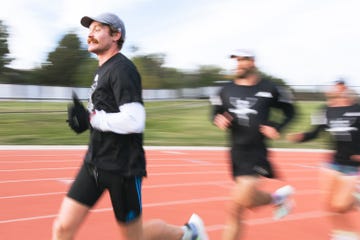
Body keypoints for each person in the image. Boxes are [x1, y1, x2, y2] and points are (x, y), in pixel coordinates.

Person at [52, 12, 208, 240]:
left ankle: (189, 233)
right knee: (62, 228)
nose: (90, 35)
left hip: (122, 168)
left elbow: (134, 120)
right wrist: (87, 118)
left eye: (97, 29)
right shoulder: (102, 70)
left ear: (116, 35)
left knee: (134, 237)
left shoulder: (122, 69)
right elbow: (105, 111)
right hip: (94, 163)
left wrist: (92, 119)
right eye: (89, 30)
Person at [210, 49, 296, 240]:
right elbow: (215, 112)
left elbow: (291, 112)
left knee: (235, 205)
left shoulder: (271, 88)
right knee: (241, 207)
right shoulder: (225, 90)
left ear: (253, 62)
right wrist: (218, 119)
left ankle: (278, 199)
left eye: (243, 59)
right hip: (236, 153)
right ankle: (278, 199)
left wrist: (277, 126)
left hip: (257, 151)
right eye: (237, 60)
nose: (239, 64)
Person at [287, 85, 360, 240]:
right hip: (333, 163)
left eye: (339, 89)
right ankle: (344, 235)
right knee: (329, 204)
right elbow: (315, 132)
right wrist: (302, 137)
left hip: (351, 166)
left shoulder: (358, 110)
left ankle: (355, 199)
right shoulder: (326, 111)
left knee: (341, 205)